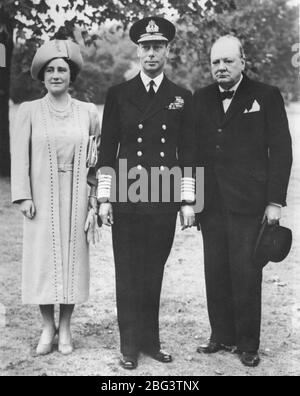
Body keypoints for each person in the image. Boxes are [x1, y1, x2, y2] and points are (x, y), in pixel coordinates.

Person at [97, 16, 196, 370]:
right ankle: (128, 345)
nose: (151, 53)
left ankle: (151, 342)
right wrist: (104, 198)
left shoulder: (181, 97)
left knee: (154, 270)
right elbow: (107, 149)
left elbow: (188, 152)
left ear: (167, 51)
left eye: (158, 47)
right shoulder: (118, 95)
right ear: (138, 51)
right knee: (127, 271)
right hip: (127, 196)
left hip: (162, 197)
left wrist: (187, 201)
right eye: (146, 47)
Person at [194, 35, 293, 367]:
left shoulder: (265, 96)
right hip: (211, 203)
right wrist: (192, 200)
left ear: (242, 63)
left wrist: (275, 202)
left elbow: (281, 151)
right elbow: (192, 152)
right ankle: (221, 336)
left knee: (247, 271)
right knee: (216, 269)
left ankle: (248, 343)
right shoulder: (202, 98)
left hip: (250, 203)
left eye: (227, 61)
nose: (221, 67)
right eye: (215, 62)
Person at [10, 38, 100, 356]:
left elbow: (96, 159)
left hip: (76, 196)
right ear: (43, 75)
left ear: (71, 75)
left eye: (62, 69)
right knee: (44, 262)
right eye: (50, 70)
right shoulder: (29, 111)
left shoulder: (87, 112)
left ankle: (66, 328)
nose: (56, 75)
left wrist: (95, 199)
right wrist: (23, 196)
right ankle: (48, 327)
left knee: (73, 260)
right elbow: (18, 155)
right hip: (41, 197)